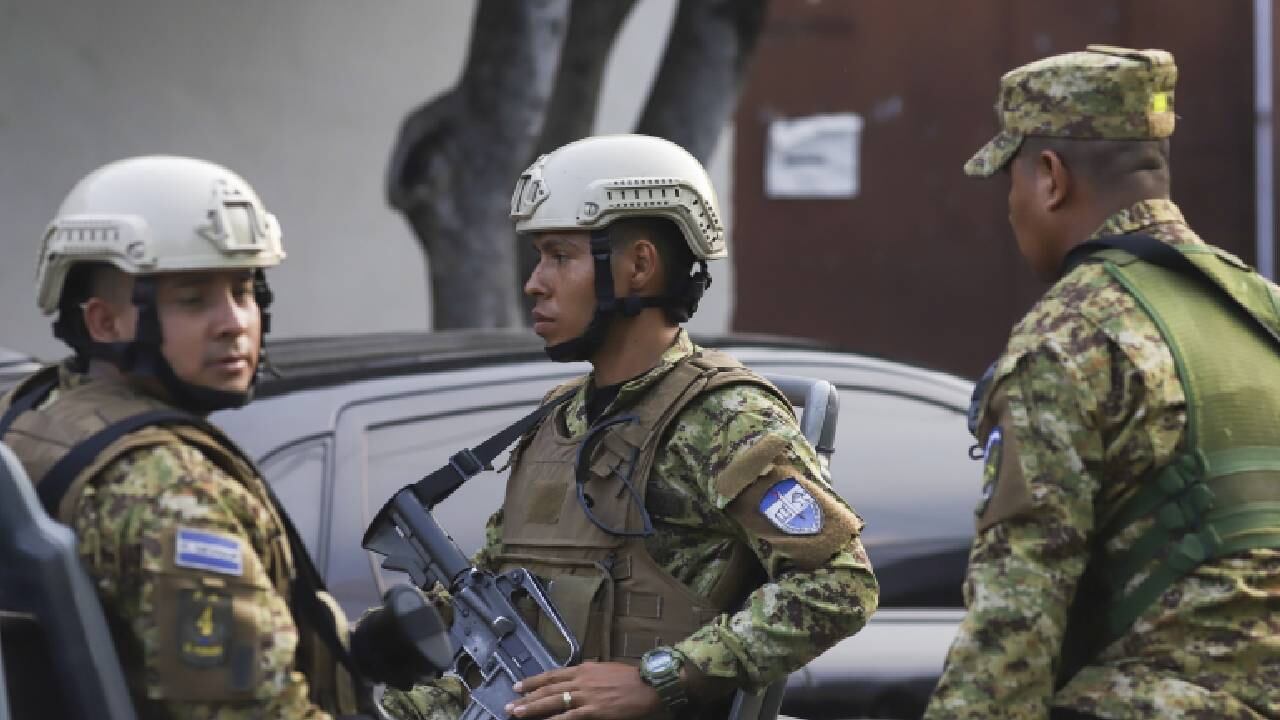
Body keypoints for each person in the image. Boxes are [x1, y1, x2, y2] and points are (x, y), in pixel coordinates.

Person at [381, 134, 879, 720]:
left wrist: (662, 678)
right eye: (539, 256)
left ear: (638, 266)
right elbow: (501, 598)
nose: (534, 282)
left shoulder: (723, 419)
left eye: (560, 256)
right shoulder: (561, 418)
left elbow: (840, 585)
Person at [924, 46, 1280, 720]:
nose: (1010, 208)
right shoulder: (1265, 311)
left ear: (1050, 179)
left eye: (1012, 181)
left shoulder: (1070, 335)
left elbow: (1017, 616)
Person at [0, 156, 362, 719]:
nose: (234, 322)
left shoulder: (28, 413)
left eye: (244, 290)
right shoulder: (175, 496)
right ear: (103, 323)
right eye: (193, 299)